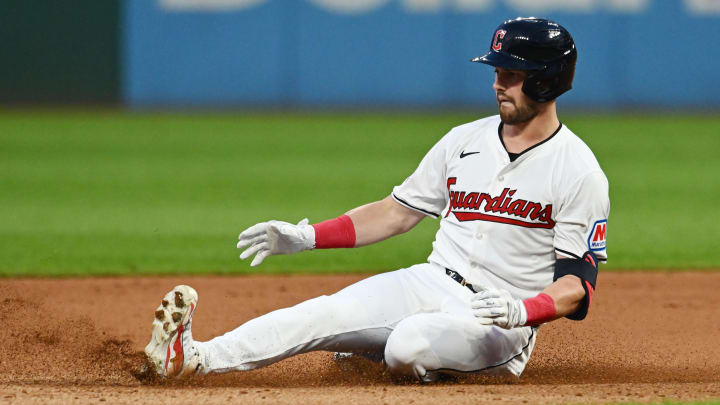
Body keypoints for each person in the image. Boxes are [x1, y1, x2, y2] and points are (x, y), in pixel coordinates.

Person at [144, 17, 609, 382]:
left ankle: (381, 352)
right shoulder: (463, 141)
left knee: (406, 345)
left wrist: (522, 311)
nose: (496, 82)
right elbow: (395, 213)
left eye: (511, 73)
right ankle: (196, 359)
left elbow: (577, 286)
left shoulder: (578, 170)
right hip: (429, 281)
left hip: (496, 321)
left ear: (545, 81)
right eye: (497, 71)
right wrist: (307, 237)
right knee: (322, 312)